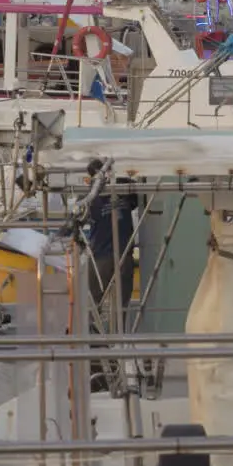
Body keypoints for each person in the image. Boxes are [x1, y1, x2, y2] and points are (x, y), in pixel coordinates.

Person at [83, 161, 141, 389]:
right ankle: (106, 356)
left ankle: (102, 360)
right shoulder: (121, 190)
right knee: (114, 310)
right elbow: (136, 199)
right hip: (119, 255)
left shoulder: (96, 195)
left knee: (92, 308)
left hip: (105, 256)